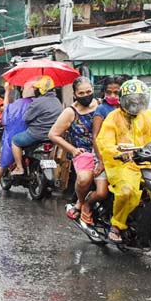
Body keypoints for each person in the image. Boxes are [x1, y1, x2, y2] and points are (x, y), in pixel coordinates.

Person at [97, 79, 151, 244]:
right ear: (123, 101)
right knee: (128, 192)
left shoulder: (149, 116)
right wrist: (119, 152)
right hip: (120, 164)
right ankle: (117, 225)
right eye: (132, 101)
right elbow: (104, 143)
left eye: (140, 101)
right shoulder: (112, 119)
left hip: (146, 161)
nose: (136, 105)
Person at [48, 76, 107, 226]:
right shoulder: (71, 112)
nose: (86, 95)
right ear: (75, 94)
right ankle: (80, 203)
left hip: (106, 152)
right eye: (81, 93)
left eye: (88, 91)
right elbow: (53, 134)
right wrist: (73, 149)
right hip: (84, 153)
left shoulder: (101, 105)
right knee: (84, 179)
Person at [0, 80, 36, 194]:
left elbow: (5, 115)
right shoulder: (40, 103)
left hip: (13, 136)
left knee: (3, 163)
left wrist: (7, 91)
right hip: (35, 137)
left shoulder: (17, 105)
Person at [10, 76, 63, 176]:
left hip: (36, 135)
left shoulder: (38, 102)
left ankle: (19, 167)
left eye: (36, 88)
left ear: (41, 90)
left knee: (15, 141)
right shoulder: (57, 101)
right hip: (52, 136)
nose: (35, 90)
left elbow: (26, 118)